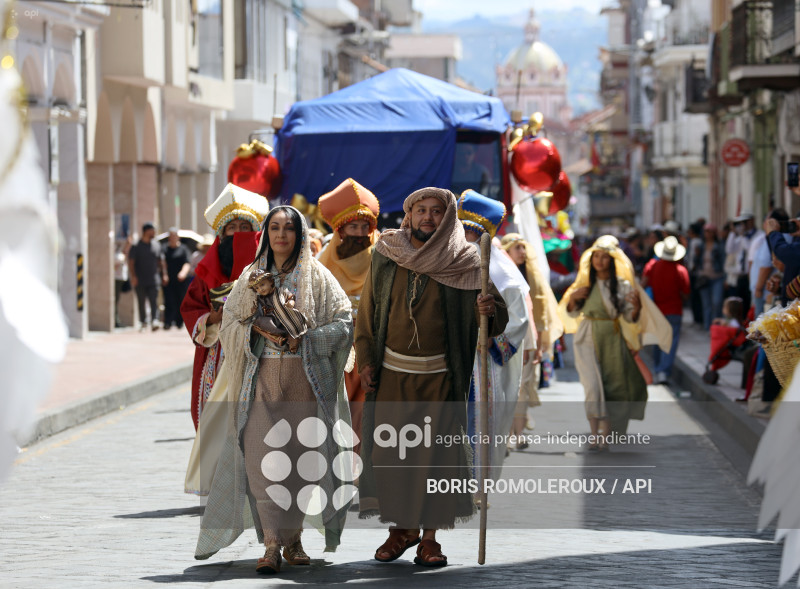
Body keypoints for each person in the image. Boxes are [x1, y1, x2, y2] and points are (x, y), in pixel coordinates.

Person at [195, 205, 354, 573]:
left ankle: (293, 539)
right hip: (260, 377)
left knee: (301, 461)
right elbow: (231, 324)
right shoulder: (250, 277)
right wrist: (255, 331)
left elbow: (344, 322)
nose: (281, 234)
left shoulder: (319, 277)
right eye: (275, 227)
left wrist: (309, 340)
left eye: (289, 228)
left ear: (299, 235)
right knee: (261, 460)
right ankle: (270, 543)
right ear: (266, 233)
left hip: (305, 379)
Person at [355, 187, 507, 567]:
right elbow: (368, 310)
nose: (428, 217)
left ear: (449, 217)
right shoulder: (387, 254)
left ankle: (430, 539)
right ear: (409, 215)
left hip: (441, 379)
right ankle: (401, 530)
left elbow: (496, 317)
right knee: (393, 455)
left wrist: (488, 308)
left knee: (438, 459)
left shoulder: (467, 260)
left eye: (436, 211)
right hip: (392, 375)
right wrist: (367, 360)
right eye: (421, 210)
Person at [560, 236, 671, 447]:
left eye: (605, 257)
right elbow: (572, 314)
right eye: (596, 257)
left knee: (613, 386)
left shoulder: (622, 285)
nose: (600, 261)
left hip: (612, 337)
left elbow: (630, 317)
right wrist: (573, 299)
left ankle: (605, 435)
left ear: (612, 260)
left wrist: (636, 308)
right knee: (592, 386)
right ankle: (594, 435)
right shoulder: (584, 283)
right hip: (587, 336)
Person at [181, 184, 268, 432]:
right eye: (232, 228)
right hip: (217, 350)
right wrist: (210, 318)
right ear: (222, 232)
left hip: (259, 345)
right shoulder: (207, 270)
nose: (238, 234)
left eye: (244, 228)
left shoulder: (268, 264)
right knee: (217, 421)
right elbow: (190, 307)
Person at [457, 190, 531, 479]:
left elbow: (518, 319)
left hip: (481, 360)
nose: (465, 238)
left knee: (479, 418)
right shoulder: (442, 262)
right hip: (447, 356)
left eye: (471, 232)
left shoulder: (503, 274)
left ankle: (476, 481)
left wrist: (493, 339)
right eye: (461, 230)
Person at [317, 178, 381, 460]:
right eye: (352, 227)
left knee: (367, 408)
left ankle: (364, 465)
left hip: (374, 346)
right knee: (336, 407)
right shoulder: (322, 263)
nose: (358, 233)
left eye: (363, 227)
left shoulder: (384, 258)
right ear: (340, 230)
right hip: (336, 348)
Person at [500, 232, 564, 448]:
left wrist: (540, 344)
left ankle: (516, 434)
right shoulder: (498, 273)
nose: (522, 252)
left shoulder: (532, 276)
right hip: (503, 336)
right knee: (505, 387)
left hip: (528, 336)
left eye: (523, 247)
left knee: (523, 386)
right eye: (517, 247)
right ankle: (506, 432)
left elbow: (541, 312)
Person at [641, 235, 690, 384]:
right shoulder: (680, 270)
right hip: (674, 310)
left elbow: (642, 285)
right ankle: (664, 371)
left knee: (658, 340)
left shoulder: (652, 266)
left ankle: (658, 369)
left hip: (656, 310)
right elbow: (686, 293)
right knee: (670, 342)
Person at [128, 222, 166, 331]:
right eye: (152, 230)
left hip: (154, 279)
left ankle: (155, 320)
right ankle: (143, 321)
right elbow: (131, 262)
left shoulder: (156, 245)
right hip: (140, 279)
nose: (154, 233)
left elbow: (161, 261)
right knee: (141, 301)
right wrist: (133, 276)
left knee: (154, 300)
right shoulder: (136, 246)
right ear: (146, 231)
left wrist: (164, 274)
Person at [694, 223, 726, 330]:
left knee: (717, 303)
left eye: (710, 231)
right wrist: (697, 255)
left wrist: (725, 278)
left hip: (717, 276)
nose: (707, 234)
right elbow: (696, 262)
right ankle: (708, 327)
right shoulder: (701, 246)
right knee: (706, 304)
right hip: (704, 278)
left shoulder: (719, 245)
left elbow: (723, 261)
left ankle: (715, 326)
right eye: (706, 231)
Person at [163, 228, 192, 330]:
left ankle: (179, 322)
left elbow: (187, 262)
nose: (172, 238)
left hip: (181, 280)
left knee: (181, 300)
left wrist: (183, 273)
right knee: (168, 300)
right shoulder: (164, 249)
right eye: (171, 236)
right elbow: (162, 263)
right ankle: (168, 322)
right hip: (168, 280)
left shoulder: (184, 249)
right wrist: (164, 274)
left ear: (177, 237)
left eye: (174, 235)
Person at [114, 237, 132, 327]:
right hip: (116, 278)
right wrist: (127, 246)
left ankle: (116, 319)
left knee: (116, 299)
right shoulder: (116, 255)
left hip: (120, 278)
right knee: (115, 299)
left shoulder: (118, 254)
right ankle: (115, 320)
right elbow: (121, 257)